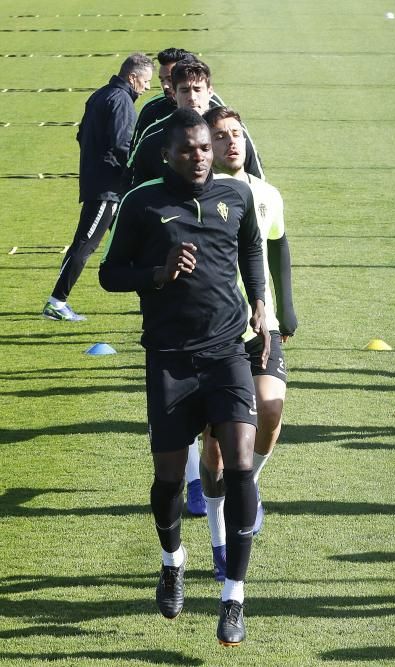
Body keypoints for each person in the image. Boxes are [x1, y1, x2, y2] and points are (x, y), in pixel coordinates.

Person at [99, 108, 268, 647]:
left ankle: (233, 598)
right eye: (188, 150)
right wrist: (158, 272)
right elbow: (108, 274)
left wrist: (260, 302)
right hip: (170, 358)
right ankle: (173, 561)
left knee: (241, 467)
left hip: (227, 354)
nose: (199, 157)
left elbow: (250, 247)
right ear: (167, 155)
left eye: (204, 148)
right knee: (170, 480)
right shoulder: (143, 202)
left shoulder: (236, 196)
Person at [200, 105, 298, 581]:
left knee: (271, 408)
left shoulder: (267, 194)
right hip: (214, 333)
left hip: (261, 325)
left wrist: (286, 307)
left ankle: (251, 487)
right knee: (216, 449)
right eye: (221, 137)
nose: (231, 143)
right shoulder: (199, 196)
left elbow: (277, 247)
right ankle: (219, 536)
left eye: (236, 134)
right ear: (209, 147)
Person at [41, 53, 153, 321]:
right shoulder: (122, 101)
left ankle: (150, 297)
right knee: (85, 244)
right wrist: (138, 169)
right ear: (132, 77)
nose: (148, 87)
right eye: (146, 81)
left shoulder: (100, 94)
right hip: (108, 188)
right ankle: (57, 301)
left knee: (134, 240)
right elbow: (122, 144)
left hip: (100, 182)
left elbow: (82, 135)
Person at [127, 58, 264, 189]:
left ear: (210, 92)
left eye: (198, 89)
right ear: (174, 94)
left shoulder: (233, 132)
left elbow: (258, 182)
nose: (192, 98)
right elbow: (134, 190)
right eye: (185, 90)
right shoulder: (153, 138)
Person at [130, 47, 196, 152]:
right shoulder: (151, 110)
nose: (165, 86)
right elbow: (135, 153)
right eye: (162, 80)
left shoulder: (212, 106)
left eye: (170, 79)